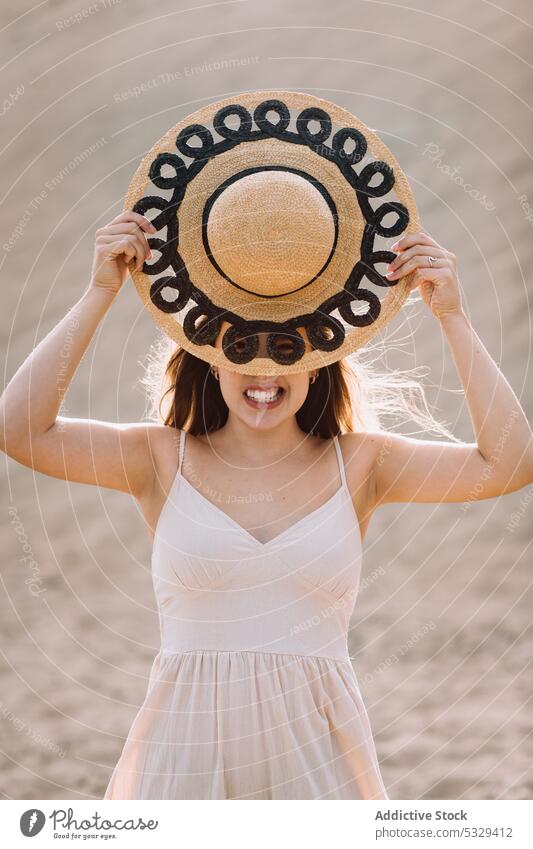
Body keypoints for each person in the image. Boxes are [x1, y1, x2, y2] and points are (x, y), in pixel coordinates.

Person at [1, 209, 532, 800]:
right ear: (208, 354)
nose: (263, 369)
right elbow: (21, 429)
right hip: (184, 756)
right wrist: (100, 292)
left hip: (318, 760)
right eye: (241, 346)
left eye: (286, 347)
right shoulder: (159, 457)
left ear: (317, 359)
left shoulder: (360, 463)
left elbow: (509, 463)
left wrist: (452, 316)